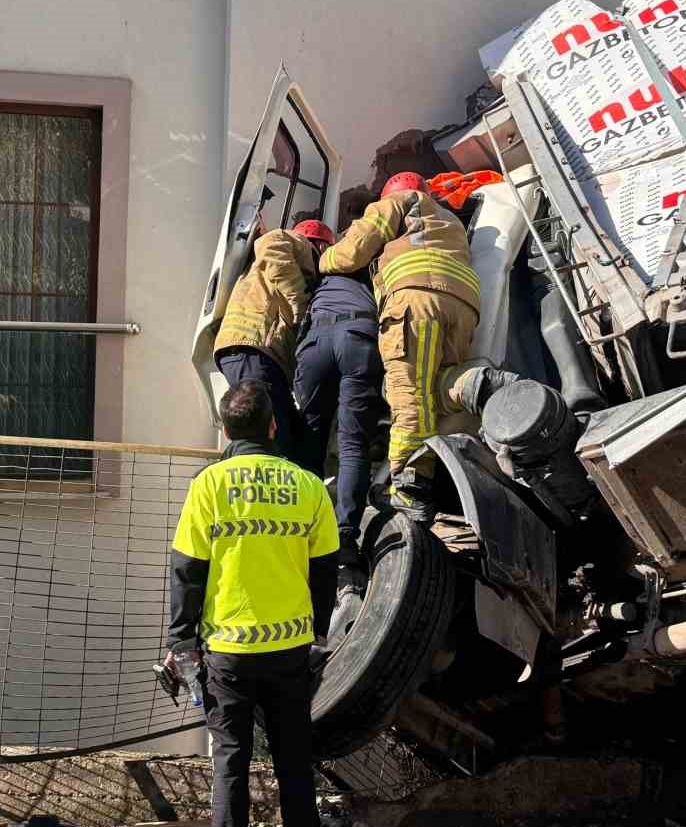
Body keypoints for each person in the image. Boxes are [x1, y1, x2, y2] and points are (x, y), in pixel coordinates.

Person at [165, 381, 340, 827]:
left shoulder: (209, 485)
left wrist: (182, 641)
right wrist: (319, 635)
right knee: (293, 758)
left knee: (231, 760)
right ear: (272, 426)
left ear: (224, 428)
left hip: (228, 651)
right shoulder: (307, 486)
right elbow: (326, 569)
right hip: (290, 648)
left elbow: (187, 569)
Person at [318, 171, 514, 521]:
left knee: (407, 392)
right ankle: (473, 383)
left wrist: (322, 260)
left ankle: (410, 485)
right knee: (434, 387)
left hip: (414, 301)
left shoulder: (394, 202)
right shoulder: (450, 219)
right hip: (464, 306)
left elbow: (351, 254)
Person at [292, 261, 384, 634]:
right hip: (359, 336)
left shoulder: (320, 278)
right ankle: (345, 534)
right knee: (352, 446)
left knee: (309, 443)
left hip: (315, 342)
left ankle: (301, 527)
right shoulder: (372, 270)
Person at [213, 219, 336, 460]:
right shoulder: (300, 244)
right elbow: (271, 242)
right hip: (255, 348)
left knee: (284, 429)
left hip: (249, 351)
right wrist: (300, 302)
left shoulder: (263, 272)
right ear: (321, 246)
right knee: (271, 439)